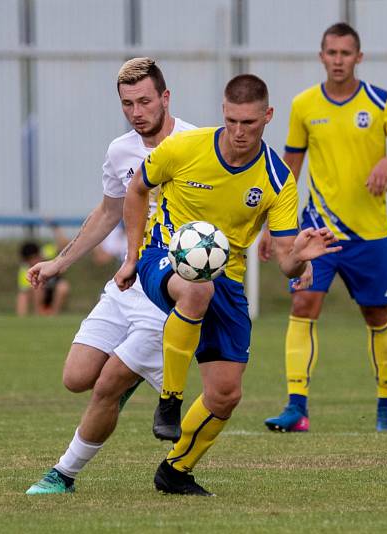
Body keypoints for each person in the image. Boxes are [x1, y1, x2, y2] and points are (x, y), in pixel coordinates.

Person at [114, 74, 340, 496]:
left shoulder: (277, 180)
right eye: (232, 120)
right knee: (197, 287)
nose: (239, 132)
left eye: (250, 123)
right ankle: (170, 401)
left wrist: (300, 258)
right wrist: (130, 257)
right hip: (164, 254)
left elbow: (287, 260)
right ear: (223, 111)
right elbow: (137, 188)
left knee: (225, 394)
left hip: (227, 277)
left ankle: (175, 470)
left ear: (267, 117)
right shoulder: (183, 148)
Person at [24, 57, 195, 495]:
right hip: (126, 282)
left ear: (165, 98)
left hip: (169, 292)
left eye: (144, 101)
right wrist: (59, 263)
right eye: (127, 104)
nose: (137, 112)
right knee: (76, 378)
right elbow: (108, 212)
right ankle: (129, 376)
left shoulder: (197, 144)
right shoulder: (121, 151)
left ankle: (62, 475)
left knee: (104, 387)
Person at [261, 22, 387, 433]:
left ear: (358, 58)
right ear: (321, 57)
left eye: (345, 53)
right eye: (331, 53)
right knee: (302, 305)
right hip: (319, 233)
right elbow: (289, 169)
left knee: (376, 313)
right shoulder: (304, 105)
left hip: (370, 233)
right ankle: (297, 407)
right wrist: (271, 225)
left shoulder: (381, 103)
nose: (338, 60)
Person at [16, 225, 71, 316]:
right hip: (38, 294)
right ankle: (30, 318)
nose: (34, 261)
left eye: (35, 257)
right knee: (26, 293)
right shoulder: (24, 270)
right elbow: (25, 290)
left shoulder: (47, 253)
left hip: (53, 291)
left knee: (63, 287)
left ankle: (54, 316)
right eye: (30, 260)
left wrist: (55, 228)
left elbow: (65, 246)